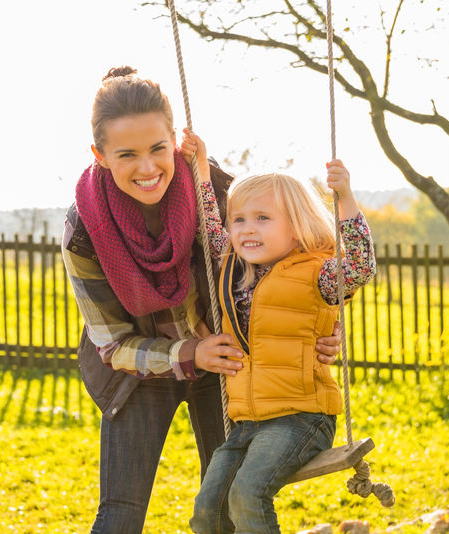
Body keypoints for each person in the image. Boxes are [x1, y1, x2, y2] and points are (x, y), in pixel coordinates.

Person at [61, 65, 342, 533]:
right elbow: (111, 345)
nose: (148, 168)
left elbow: (297, 267)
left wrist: (325, 329)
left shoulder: (215, 192)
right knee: (120, 513)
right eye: (127, 154)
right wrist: (189, 352)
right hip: (139, 367)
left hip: (228, 362)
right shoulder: (85, 231)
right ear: (100, 155)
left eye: (158, 149)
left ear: (175, 138)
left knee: (225, 507)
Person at [181, 130, 376, 533]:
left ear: (297, 226)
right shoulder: (234, 269)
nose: (247, 229)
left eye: (263, 219)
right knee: (208, 509)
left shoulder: (317, 274)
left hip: (301, 417)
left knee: (247, 494)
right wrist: (201, 167)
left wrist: (347, 200)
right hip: (247, 420)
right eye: (240, 219)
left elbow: (359, 267)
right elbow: (209, 225)